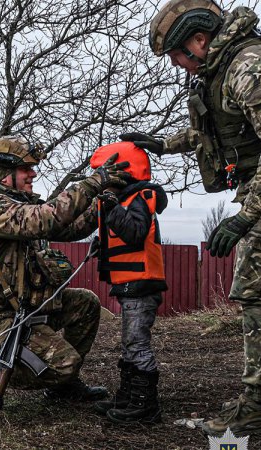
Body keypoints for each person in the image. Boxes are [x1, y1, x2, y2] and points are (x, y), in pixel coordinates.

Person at [122, 0, 261, 436]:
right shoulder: (222, 70)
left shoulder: (249, 68)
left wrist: (244, 217)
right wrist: (162, 145)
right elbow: (215, 131)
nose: (179, 66)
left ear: (199, 41)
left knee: (253, 286)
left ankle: (256, 403)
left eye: (179, 55)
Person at [0, 135, 131, 409]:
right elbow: (45, 219)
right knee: (63, 364)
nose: (33, 173)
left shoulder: (18, 205)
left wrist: (102, 203)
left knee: (85, 303)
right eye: (25, 168)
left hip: (21, 307)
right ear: (3, 173)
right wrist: (93, 182)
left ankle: (63, 388)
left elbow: (68, 227)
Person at [88, 141, 168, 424]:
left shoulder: (139, 198)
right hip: (129, 283)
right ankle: (127, 395)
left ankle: (145, 405)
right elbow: (124, 235)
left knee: (137, 344)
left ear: (124, 170)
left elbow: (134, 233)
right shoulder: (124, 201)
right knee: (128, 344)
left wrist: (111, 210)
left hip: (141, 283)